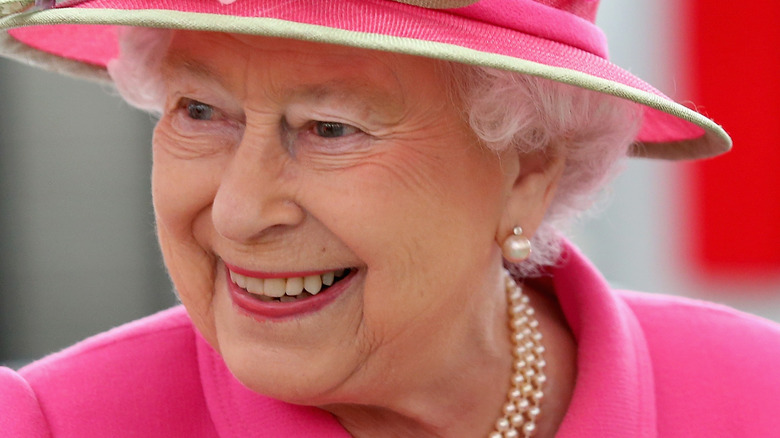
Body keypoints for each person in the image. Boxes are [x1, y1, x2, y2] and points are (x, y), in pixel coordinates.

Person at [1, 1, 778, 437]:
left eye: (331, 128)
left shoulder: (756, 400)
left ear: (528, 171)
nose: (239, 213)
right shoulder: (55, 428)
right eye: (200, 112)